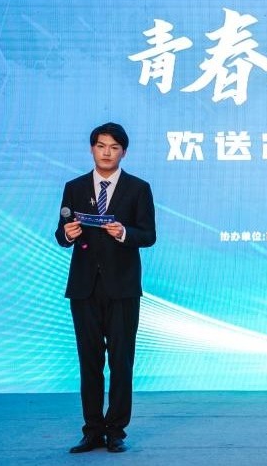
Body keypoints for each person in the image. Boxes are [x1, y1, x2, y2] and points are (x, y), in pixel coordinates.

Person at [55, 122, 156, 454]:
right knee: (89, 362)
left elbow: (149, 235)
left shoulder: (138, 188)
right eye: (101, 146)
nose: (107, 153)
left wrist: (124, 233)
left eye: (114, 147)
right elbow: (61, 232)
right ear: (92, 149)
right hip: (84, 288)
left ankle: (116, 431)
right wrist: (67, 234)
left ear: (123, 152)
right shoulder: (74, 187)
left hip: (122, 288)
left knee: (121, 362)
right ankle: (92, 430)